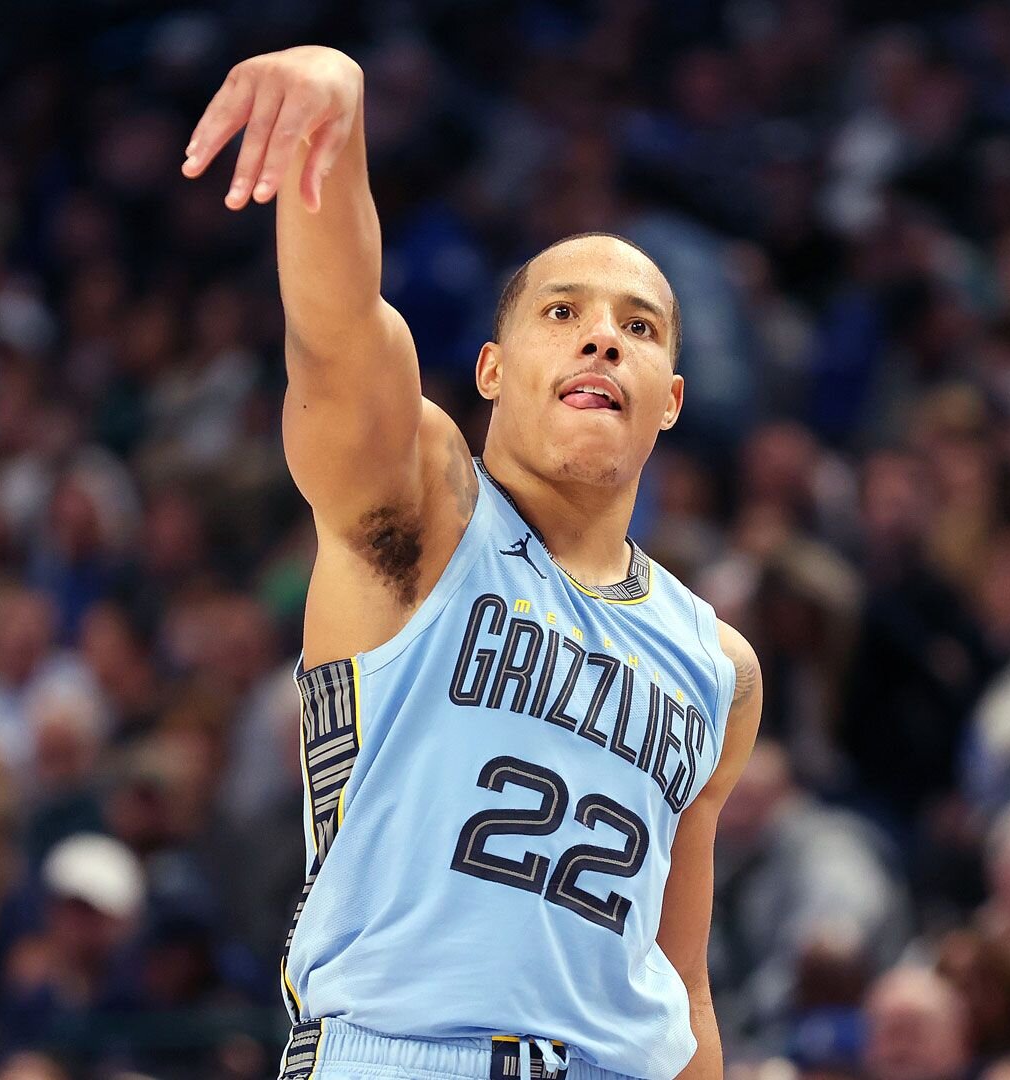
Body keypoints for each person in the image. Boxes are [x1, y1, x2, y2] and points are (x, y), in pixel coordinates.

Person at [180, 45, 763, 1080]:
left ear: (671, 397)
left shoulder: (719, 669)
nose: (603, 341)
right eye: (562, 313)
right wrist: (333, 119)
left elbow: (683, 986)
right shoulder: (426, 505)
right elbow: (335, 333)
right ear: (493, 371)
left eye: (640, 328)